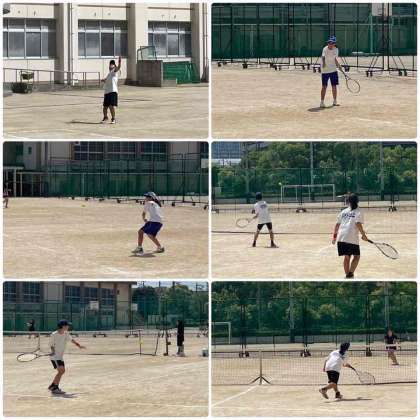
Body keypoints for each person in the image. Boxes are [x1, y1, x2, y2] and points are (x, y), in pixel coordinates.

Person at [332, 193, 368, 278]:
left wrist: (334, 237)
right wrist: (363, 235)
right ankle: (350, 274)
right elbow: (358, 223)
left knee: (347, 257)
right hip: (351, 238)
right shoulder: (359, 211)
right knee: (356, 256)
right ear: (357, 201)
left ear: (348, 201)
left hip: (341, 237)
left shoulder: (343, 211)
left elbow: (337, 225)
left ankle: (347, 275)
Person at [48, 320, 85, 395]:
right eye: (67, 325)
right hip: (55, 357)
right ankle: (55, 388)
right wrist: (53, 351)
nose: (68, 326)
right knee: (61, 371)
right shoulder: (54, 334)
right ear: (63, 326)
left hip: (60, 356)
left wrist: (79, 345)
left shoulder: (66, 333)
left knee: (62, 371)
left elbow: (72, 340)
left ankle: (52, 386)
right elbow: (51, 345)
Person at [320, 36, 342, 108]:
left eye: (332, 43)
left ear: (334, 44)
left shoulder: (336, 49)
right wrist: (324, 64)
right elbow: (323, 57)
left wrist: (338, 65)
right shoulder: (325, 48)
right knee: (324, 86)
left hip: (333, 70)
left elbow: (335, 59)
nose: (330, 44)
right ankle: (322, 102)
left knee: (334, 86)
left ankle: (335, 101)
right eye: (329, 42)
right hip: (325, 71)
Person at [101, 56, 121, 124]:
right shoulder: (109, 74)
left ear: (114, 66)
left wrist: (119, 62)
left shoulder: (114, 71)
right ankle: (105, 117)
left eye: (112, 64)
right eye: (110, 64)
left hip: (113, 91)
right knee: (105, 107)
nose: (110, 65)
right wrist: (103, 80)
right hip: (107, 92)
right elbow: (106, 80)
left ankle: (113, 118)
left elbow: (118, 67)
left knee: (111, 106)